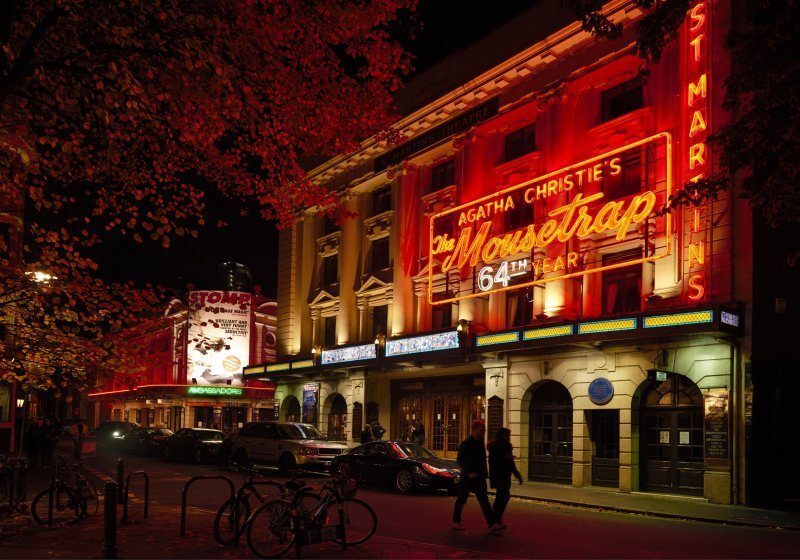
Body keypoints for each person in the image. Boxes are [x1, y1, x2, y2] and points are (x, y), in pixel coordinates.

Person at [452, 420, 502, 533]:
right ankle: (456, 521)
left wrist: (484, 473)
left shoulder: (480, 443)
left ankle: (492, 524)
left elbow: (482, 460)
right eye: (481, 430)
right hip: (468, 477)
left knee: (484, 500)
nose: (483, 432)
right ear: (474, 430)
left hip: (479, 477)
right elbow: (460, 460)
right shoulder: (466, 444)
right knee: (461, 499)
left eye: (484, 430)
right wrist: (469, 472)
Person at [488, 427, 523, 528]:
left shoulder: (507, 446)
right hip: (498, 475)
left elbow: (511, 464)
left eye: (508, 435)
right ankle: (495, 519)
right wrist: (504, 458)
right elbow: (492, 462)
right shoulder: (494, 446)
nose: (507, 437)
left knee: (501, 497)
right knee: (503, 496)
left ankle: (496, 519)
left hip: (505, 475)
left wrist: (518, 475)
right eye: (506, 435)